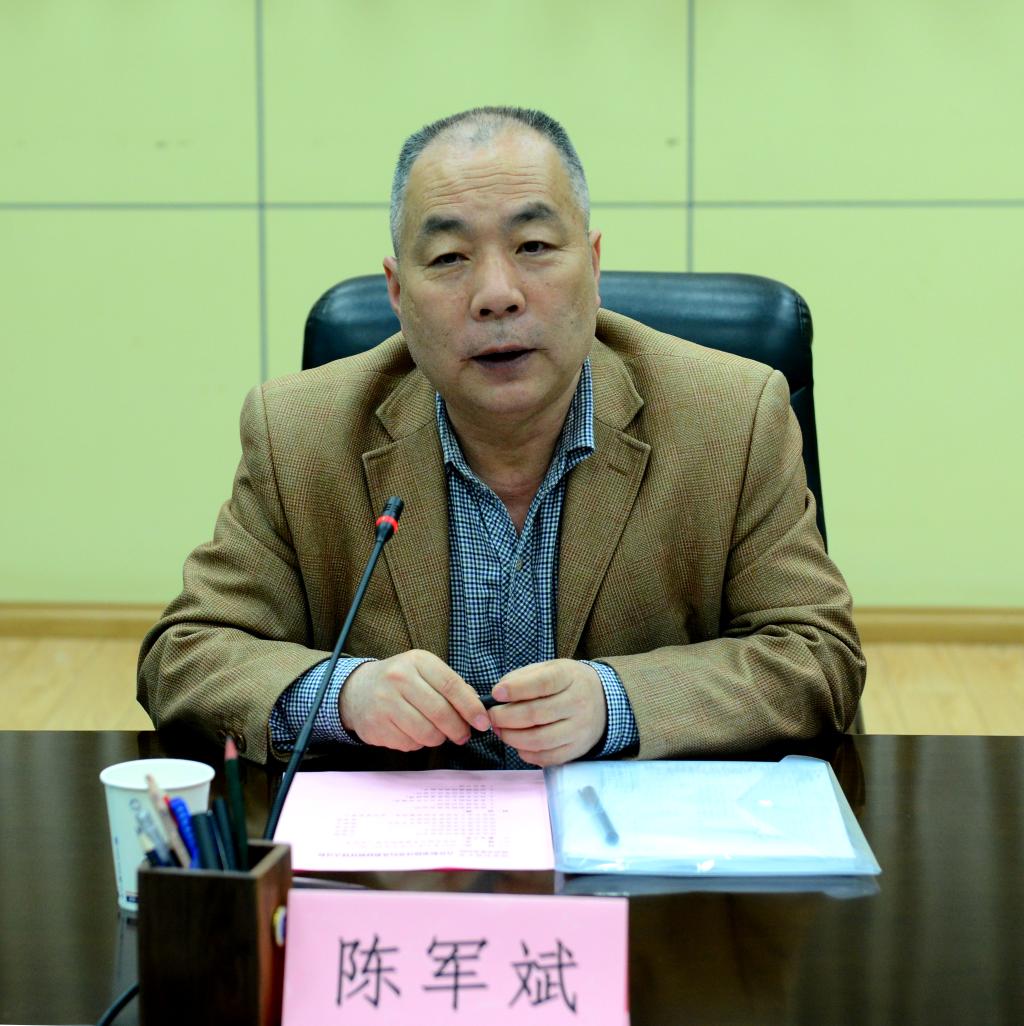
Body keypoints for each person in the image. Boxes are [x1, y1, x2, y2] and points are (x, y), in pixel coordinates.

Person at [137, 106, 865, 768]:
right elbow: (186, 655)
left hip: (636, 856)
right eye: (449, 258)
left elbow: (816, 656)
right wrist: (343, 695)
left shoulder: (731, 417)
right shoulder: (300, 432)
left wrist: (616, 701)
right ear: (397, 293)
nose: (496, 294)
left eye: (534, 245)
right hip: (405, 854)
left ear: (594, 265)